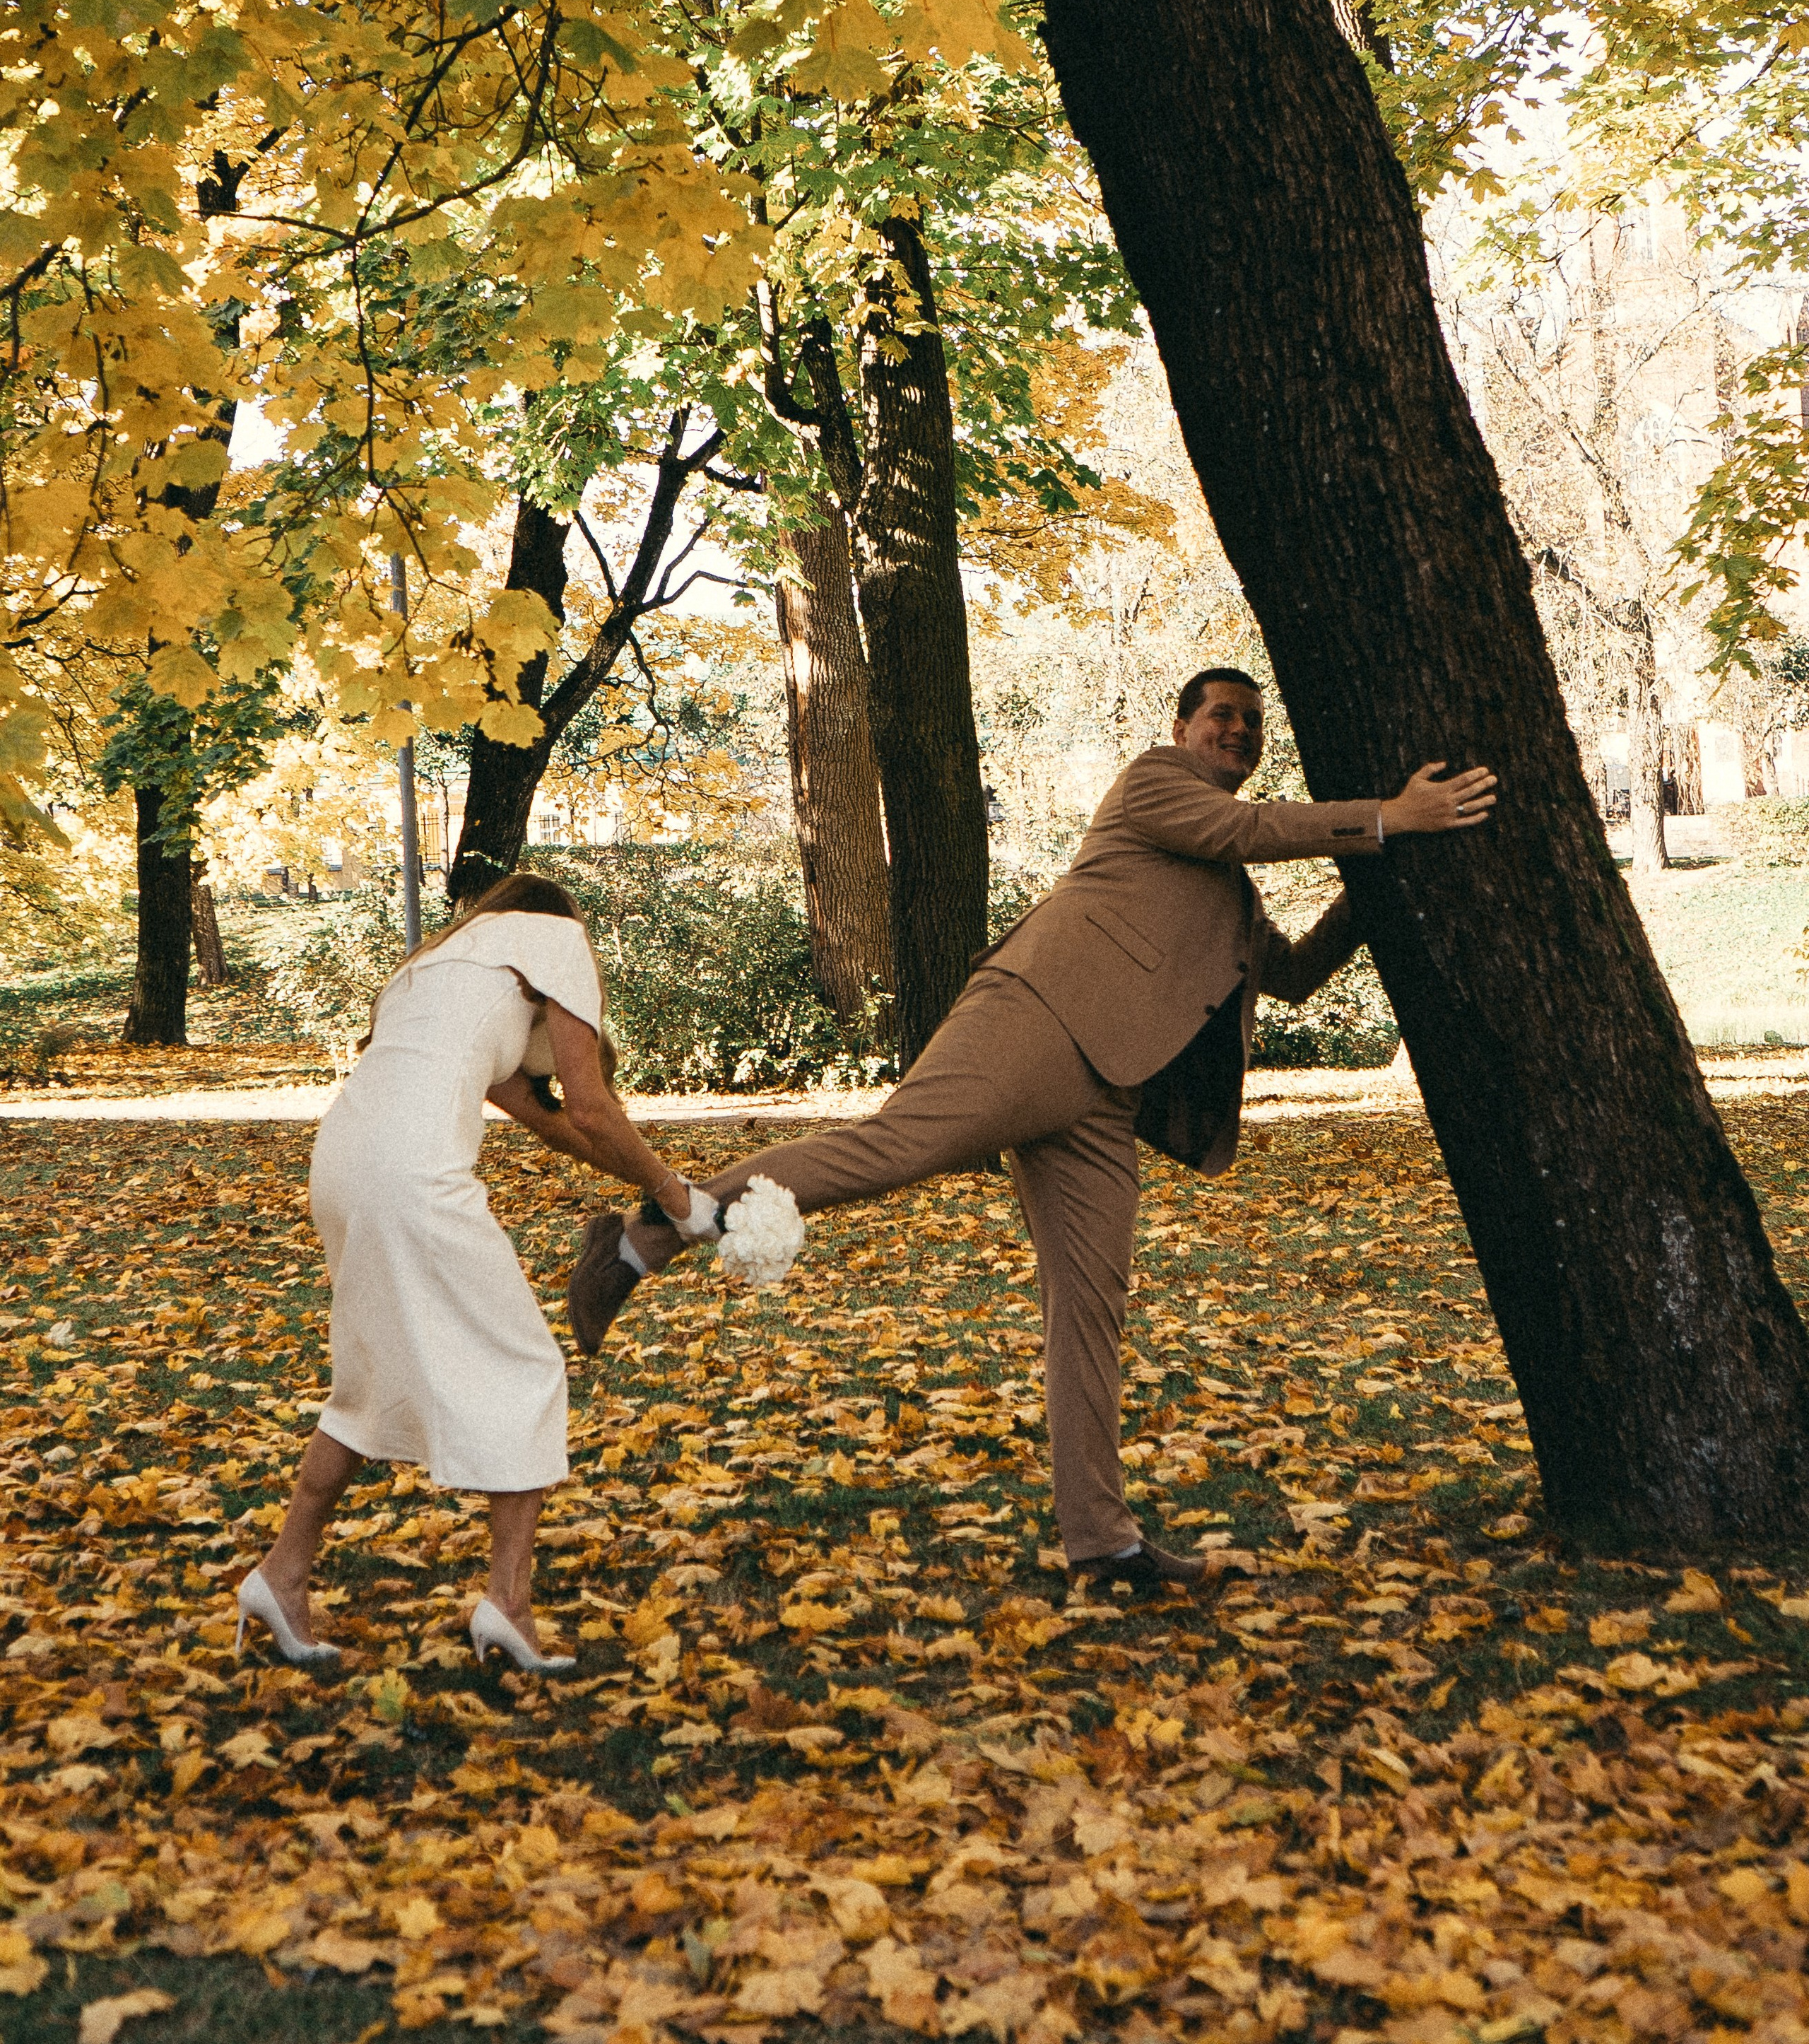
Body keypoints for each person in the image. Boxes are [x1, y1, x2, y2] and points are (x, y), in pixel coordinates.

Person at [569, 671, 1495, 1600]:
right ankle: (646, 1234)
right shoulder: (1154, 786)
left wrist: (1381, 883)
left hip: (1106, 1103)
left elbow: (1289, 974)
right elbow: (1245, 828)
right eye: (1223, 715)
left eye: (1254, 723)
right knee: (890, 1150)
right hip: (1035, 1021)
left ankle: (1104, 1545)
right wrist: (1390, 817)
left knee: (1090, 1310)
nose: (1240, 731)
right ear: (1180, 726)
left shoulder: (1236, 897)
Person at [234, 872, 719, 1672]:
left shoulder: (440, 965)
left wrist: (656, 1185)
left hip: (344, 1164)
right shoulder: (555, 940)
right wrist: (675, 1194)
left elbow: (550, 1120)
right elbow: (591, 1106)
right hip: (414, 1174)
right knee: (527, 1367)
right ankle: (508, 1606)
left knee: (367, 1381)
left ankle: (280, 1576)